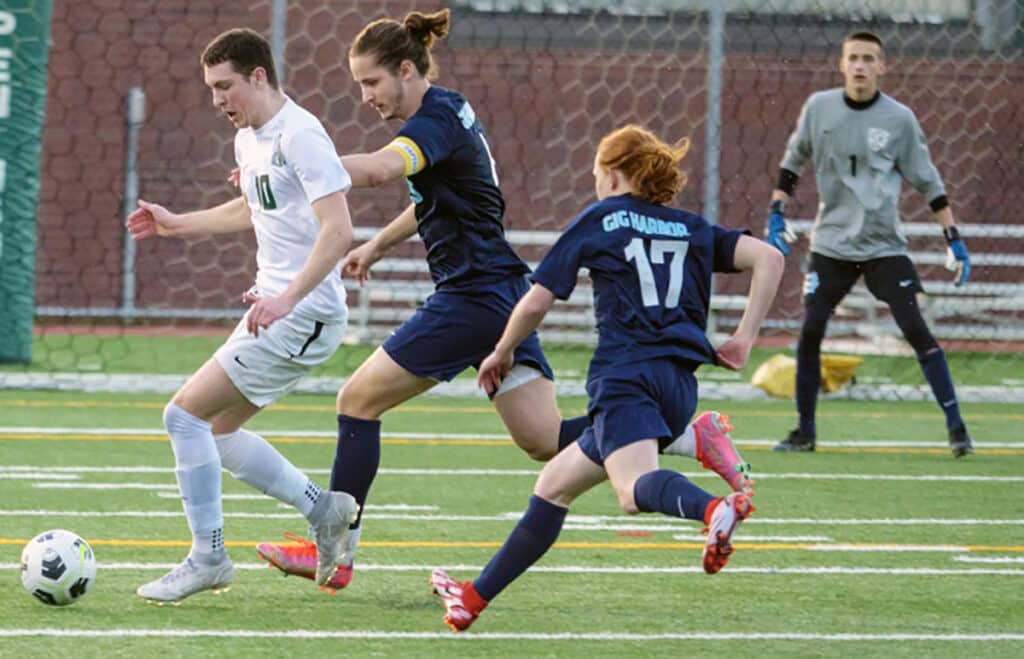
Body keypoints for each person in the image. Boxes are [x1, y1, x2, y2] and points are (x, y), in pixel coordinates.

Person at [255, 9, 753, 592]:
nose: (365, 96)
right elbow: (435, 197)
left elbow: (379, 170)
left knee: (357, 401)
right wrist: (378, 246)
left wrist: (294, 164)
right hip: (500, 292)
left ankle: (335, 553)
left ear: (407, 70)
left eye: (372, 82)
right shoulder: (449, 113)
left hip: (470, 298)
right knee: (542, 439)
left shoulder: (431, 124)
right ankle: (691, 436)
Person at [430, 124, 785, 632]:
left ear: (613, 174)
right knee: (553, 485)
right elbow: (769, 258)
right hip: (678, 386)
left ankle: (714, 510)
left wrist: (501, 351)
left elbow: (536, 300)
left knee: (631, 491)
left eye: (596, 173)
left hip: (626, 379)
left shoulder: (602, 218)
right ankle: (471, 600)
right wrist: (744, 337)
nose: (595, 182)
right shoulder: (689, 227)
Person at [126, 28, 360, 603]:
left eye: (224, 86)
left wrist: (286, 299)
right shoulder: (250, 139)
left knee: (182, 418)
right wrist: (177, 222)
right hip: (277, 308)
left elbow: (340, 231)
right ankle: (324, 510)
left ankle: (208, 558)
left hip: (299, 312)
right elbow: (255, 207)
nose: (217, 100)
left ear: (258, 76)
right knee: (215, 432)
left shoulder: (302, 135)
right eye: (210, 89)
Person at [765, 31, 973, 458]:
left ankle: (958, 429)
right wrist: (776, 213)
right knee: (810, 331)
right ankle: (805, 431)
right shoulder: (818, 108)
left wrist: (954, 239)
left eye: (869, 59)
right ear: (842, 64)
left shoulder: (899, 119)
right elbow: (792, 162)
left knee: (916, 330)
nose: (860, 65)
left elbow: (929, 182)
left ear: (882, 67)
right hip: (831, 245)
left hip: (883, 247)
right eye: (853, 58)